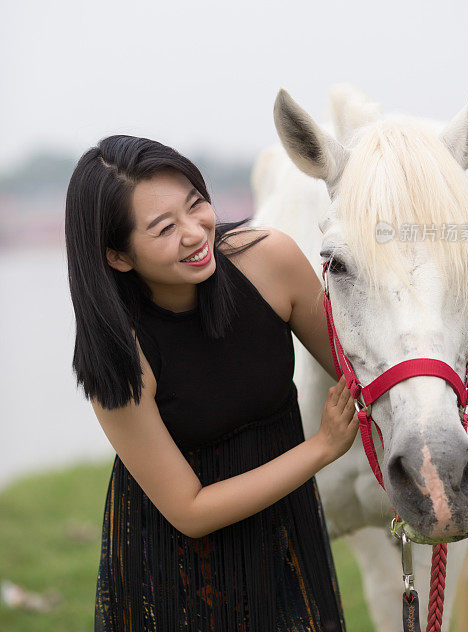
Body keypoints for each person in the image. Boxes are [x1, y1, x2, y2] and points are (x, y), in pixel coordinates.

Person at [64, 133, 359, 632]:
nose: (195, 233)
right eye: (163, 228)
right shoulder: (117, 355)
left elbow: (358, 369)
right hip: (172, 568)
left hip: (284, 528)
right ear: (117, 255)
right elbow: (190, 510)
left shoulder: (271, 262)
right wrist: (321, 448)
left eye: (195, 204)